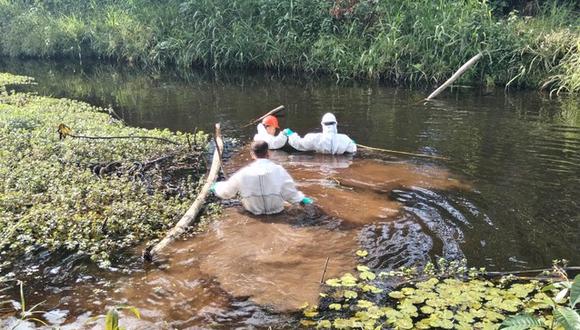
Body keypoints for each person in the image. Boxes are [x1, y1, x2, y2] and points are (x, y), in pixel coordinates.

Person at [211, 140, 313, 215]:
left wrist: (216, 187)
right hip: (277, 212)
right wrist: (301, 199)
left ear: (252, 154)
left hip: (253, 213)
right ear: (268, 153)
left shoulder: (243, 173)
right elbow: (290, 193)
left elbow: (226, 193)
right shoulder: (278, 170)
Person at [284, 113, 356, 154]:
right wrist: (352, 143)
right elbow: (353, 149)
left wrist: (291, 134)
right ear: (335, 124)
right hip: (340, 165)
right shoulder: (345, 139)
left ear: (322, 124)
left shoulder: (315, 138)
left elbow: (299, 144)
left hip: (321, 164)